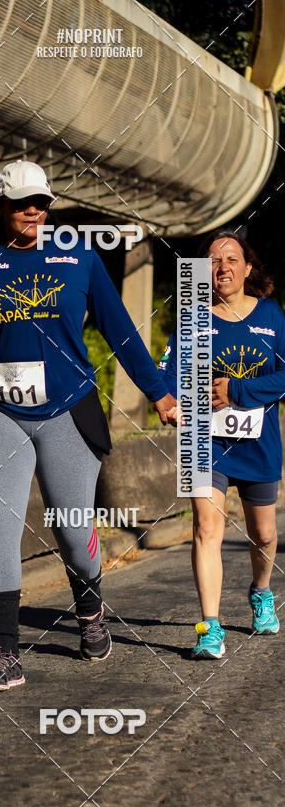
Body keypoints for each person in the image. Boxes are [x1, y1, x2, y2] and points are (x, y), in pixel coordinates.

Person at [0, 160, 176, 691]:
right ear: (0, 206)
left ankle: (89, 612)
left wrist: (159, 392)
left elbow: (120, 332)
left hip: (68, 410)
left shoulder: (79, 258)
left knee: (72, 529)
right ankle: (3, 653)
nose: (33, 211)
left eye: (41, 202)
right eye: (22, 202)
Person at [159, 230, 283, 659]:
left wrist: (238, 391)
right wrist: (169, 401)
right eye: (213, 260)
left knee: (264, 534)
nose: (223, 267)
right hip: (203, 438)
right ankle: (209, 628)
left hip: (259, 441)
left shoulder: (271, 315)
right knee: (206, 527)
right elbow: (171, 369)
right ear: (202, 271)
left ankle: (261, 591)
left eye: (232, 259)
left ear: (248, 268)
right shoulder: (193, 318)